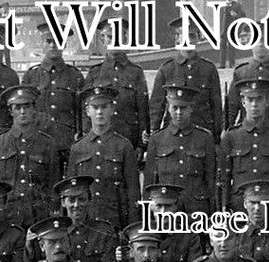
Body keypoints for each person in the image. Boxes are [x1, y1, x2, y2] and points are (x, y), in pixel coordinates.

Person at [0, 85, 62, 229]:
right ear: (11, 111)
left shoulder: (48, 144)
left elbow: (53, 186)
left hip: (39, 217)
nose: (22, 112)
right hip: (6, 217)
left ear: (34, 109)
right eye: (17, 107)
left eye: (27, 106)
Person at [66, 83, 140, 230]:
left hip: (116, 221)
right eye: (95, 107)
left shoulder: (124, 146)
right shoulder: (78, 148)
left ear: (112, 109)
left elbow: (133, 192)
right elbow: (70, 191)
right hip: (87, 221)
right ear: (87, 111)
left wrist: (131, 229)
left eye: (104, 107)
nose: (99, 112)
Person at [218, 74, 269, 210]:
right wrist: (223, 208)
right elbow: (223, 179)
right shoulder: (231, 137)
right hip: (239, 207)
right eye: (250, 99)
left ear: (267, 101)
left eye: (259, 99)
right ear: (243, 102)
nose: (254, 105)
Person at [143, 83, 217, 216]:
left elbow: (211, 180)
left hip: (196, 211)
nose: (178, 112)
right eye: (175, 107)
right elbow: (149, 183)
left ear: (191, 109)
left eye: (183, 108)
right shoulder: (157, 138)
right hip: (166, 210)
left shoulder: (204, 138)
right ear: (168, 108)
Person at [149, 16, 223, 143]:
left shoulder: (209, 69)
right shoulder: (167, 70)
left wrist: (216, 140)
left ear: (198, 39)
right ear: (177, 39)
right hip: (173, 134)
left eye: (192, 36)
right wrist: (153, 134)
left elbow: (216, 107)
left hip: (202, 133)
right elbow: (156, 107)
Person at [84, 16, 149, 154]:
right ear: (103, 40)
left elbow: (143, 110)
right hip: (99, 141)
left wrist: (141, 146)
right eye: (110, 37)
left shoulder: (136, 72)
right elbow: (86, 112)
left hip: (128, 140)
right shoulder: (95, 73)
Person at [22, 22, 84, 163]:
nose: (53, 45)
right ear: (42, 43)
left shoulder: (75, 76)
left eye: (57, 41)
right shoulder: (31, 76)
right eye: (48, 41)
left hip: (67, 144)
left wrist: (80, 136)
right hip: (37, 144)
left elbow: (81, 112)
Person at [224, 44, 269, 145]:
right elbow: (231, 107)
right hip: (246, 135)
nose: (260, 45)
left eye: (264, 41)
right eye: (257, 41)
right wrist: (226, 137)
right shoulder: (241, 73)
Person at [219, 0, 246, 69]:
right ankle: (222, 65)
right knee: (222, 47)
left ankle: (231, 64)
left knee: (231, 48)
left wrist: (236, 15)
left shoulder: (237, 6)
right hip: (223, 30)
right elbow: (219, 19)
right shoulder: (221, 6)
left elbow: (243, 16)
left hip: (232, 31)